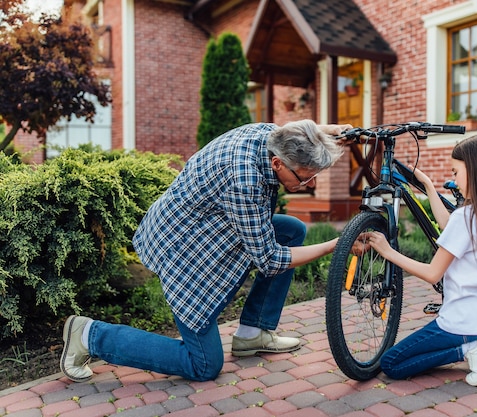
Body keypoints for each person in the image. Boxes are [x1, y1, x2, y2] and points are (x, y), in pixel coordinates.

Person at [60, 120, 352, 383]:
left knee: (290, 230)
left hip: (204, 225)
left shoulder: (266, 135)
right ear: (278, 164)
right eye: (305, 178)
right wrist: (337, 244)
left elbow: (291, 129)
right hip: (182, 248)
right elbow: (269, 260)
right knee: (203, 365)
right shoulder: (245, 180)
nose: (310, 184)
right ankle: (89, 336)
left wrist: (330, 131)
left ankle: (253, 333)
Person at [366, 134, 477, 386]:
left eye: (456, 171)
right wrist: (428, 186)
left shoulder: (466, 218)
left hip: (461, 322)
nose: (454, 178)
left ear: (475, 171)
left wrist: (388, 251)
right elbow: (449, 227)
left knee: (392, 363)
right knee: (408, 355)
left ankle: (475, 349)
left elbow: (432, 274)